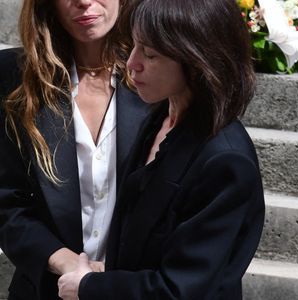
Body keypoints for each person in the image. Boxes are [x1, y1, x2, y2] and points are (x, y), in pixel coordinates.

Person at [57, 0, 266, 299]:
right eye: (135, 46)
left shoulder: (226, 161)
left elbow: (179, 289)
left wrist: (88, 287)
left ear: (197, 63)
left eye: (150, 54)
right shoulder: (159, 116)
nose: (132, 64)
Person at [0, 0, 149, 299]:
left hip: (137, 288)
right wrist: (62, 260)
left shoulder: (156, 77)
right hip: (47, 287)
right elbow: (6, 199)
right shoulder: (14, 78)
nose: (83, 1)